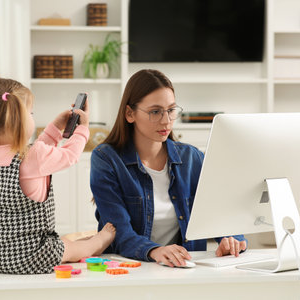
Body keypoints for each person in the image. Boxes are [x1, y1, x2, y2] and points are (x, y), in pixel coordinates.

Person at [0, 77, 115, 274]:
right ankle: (101, 240)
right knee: (74, 247)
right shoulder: (33, 156)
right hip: (32, 255)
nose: (32, 117)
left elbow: (36, 155)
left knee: (63, 241)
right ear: (18, 119)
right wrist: (83, 129)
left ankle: (80, 244)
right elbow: (70, 155)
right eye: (30, 113)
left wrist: (55, 128)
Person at [90, 69, 247, 267]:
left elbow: (221, 215)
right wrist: (155, 251)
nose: (166, 121)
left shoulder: (192, 158)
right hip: (129, 268)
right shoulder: (106, 159)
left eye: (171, 110)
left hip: (184, 269)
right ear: (130, 113)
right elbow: (119, 233)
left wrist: (231, 240)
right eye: (155, 112)